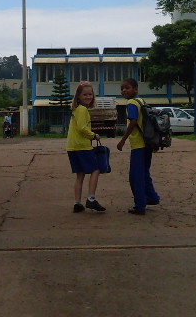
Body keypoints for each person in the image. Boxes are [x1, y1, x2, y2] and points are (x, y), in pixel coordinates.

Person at [115, 77, 160, 215]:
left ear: (135, 89)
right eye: (122, 88)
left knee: (136, 176)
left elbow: (133, 121)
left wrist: (122, 140)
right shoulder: (142, 101)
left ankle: (139, 205)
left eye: (127, 87)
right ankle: (152, 197)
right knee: (145, 172)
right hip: (147, 143)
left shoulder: (131, 103)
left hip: (139, 145)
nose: (124, 90)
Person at [67, 81, 106, 213]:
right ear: (78, 96)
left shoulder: (76, 109)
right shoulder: (83, 110)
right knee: (96, 169)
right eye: (85, 95)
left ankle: (77, 203)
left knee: (80, 175)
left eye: (90, 94)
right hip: (82, 146)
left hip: (72, 147)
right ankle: (91, 199)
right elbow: (82, 128)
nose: (88, 97)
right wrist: (94, 136)